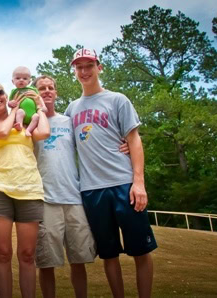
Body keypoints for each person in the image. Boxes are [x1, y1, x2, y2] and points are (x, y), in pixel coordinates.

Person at [65, 48, 157, 298]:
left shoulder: (118, 100)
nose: (84, 71)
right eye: (79, 67)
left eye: (89, 66)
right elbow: (59, 144)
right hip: (91, 190)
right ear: (74, 71)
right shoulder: (71, 109)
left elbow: (134, 141)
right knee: (109, 254)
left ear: (99, 67)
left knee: (140, 250)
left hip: (123, 185)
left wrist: (138, 183)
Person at [0, 81, 50, 298]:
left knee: (27, 254)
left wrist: (39, 107)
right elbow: (0, 131)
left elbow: (44, 132)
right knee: (3, 253)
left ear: (6, 94)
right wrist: (15, 110)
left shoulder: (27, 123)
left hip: (29, 188)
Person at [32, 75, 97, 298]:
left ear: (56, 93)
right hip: (46, 199)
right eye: (42, 88)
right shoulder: (30, 125)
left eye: (51, 88)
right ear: (35, 94)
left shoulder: (69, 121)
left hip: (74, 198)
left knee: (79, 261)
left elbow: (92, 144)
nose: (47, 91)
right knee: (46, 262)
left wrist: (123, 145)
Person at [8, 66, 47, 137]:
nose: (21, 80)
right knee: (20, 111)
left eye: (25, 78)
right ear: (13, 81)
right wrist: (10, 103)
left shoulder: (33, 89)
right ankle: (20, 126)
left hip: (33, 113)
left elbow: (39, 98)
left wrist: (43, 106)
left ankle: (28, 130)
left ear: (29, 81)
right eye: (18, 78)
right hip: (22, 113)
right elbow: (10, 102)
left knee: (36, 116)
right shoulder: (14, 91)